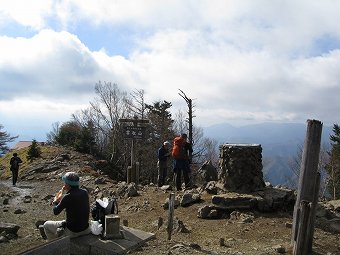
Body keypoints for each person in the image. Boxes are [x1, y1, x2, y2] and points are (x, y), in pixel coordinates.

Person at [40, 172, 91, 240]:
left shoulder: (68, 197)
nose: (64, 184)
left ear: (67, 185)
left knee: (46, 225)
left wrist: (55, 203)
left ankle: (54, 245)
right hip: (86, 229)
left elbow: (55, 212)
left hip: (73, 232)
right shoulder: (84, 192)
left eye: (65, 183)